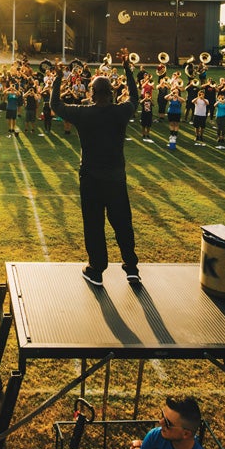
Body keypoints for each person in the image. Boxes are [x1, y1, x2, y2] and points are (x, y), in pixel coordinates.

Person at [50, 53, 141, 287]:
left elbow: (55, 105)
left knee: (93, 224)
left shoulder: (84, 113)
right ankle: (131, 267)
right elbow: (135, 98)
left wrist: (59, 78)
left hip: (91, 178)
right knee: (122, 222)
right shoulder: (120, 112)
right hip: (116, 178)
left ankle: (96, 269)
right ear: (111, 93)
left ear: (91, 93)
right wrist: (128, 70)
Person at [129, 395, 217, 449]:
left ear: (186, 434)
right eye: (162, 415)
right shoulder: (155, 436)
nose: (161, 422)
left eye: (167, 423)